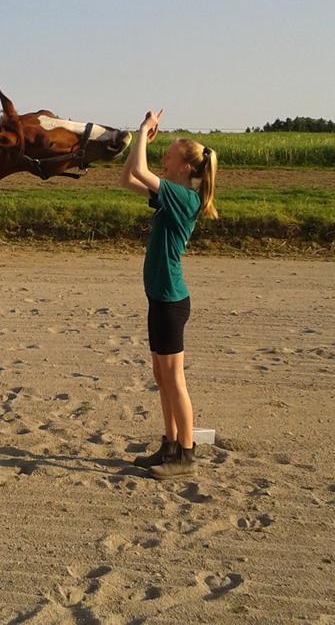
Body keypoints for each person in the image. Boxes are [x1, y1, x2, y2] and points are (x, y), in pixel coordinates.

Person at [119, 108, 218, 478]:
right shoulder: (172, 195)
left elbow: (141, 170)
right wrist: (140, 140)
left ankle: (186, 456)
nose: (164, 157)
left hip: (171, 302)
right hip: (159, 298)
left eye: (170, 154)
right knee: (162, 378)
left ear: (186, 167)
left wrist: (143, 130)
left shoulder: (184, 198)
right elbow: (127, 178)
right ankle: (170, 445)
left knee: (175, 380)